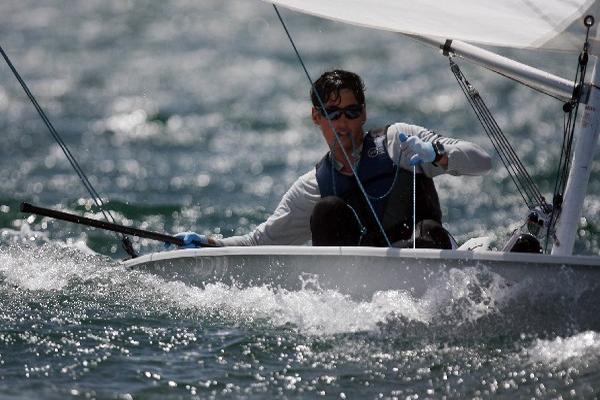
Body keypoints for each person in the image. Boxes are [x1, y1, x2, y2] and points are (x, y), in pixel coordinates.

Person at [177, 69, 491, 249]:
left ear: (364, 113)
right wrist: (208, 243)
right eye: (333, 113)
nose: (343, 123)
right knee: (327, 211)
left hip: (426, 264)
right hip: (363, 293)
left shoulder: (399, 140)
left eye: (352, 112)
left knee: (427, 230)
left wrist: (439, 155)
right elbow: (261, 241)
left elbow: (482, 161)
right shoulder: (313, 186)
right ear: (317, 117)